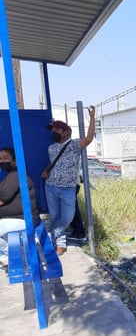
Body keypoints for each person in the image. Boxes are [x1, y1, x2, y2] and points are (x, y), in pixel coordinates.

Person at [42, 106, 95, 255]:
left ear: (66, 132)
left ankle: (54, 235)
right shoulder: (51, 148)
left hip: (68, 188)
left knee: (67, 217)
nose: (53, 133)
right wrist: (46, 170)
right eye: (52, 130)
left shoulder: (74, 145)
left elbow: (90, 138)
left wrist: (92, 118)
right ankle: (60, 244)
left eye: (57, 130)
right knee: (55, 216)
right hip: (51, 186)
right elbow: (54, 162)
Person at [0, 147, 40, 268]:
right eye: (0, 159)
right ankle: (7, 256)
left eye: (5, 158)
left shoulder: (15, 175)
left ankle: (10, 257)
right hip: (15, 219)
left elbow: (2, 199)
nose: (2, 161)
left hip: (22, 219)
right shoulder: (12, 174)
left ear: (15, 161)